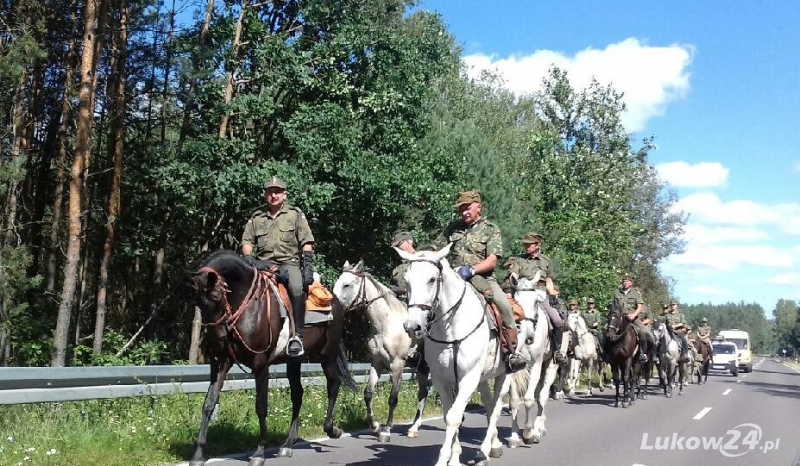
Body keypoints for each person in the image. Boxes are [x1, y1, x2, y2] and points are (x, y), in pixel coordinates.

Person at [432, 190, 526, 373]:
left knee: (504, 306)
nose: (464, 212)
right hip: (453, 278)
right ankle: (421, 353)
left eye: (467, 208)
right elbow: (435, 248)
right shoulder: (452, 228)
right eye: (461, 209)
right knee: (428, 305)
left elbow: (492, 260)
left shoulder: (491, 229)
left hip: (483, 278)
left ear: (478, 207)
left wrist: (472, 270)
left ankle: (511, 352)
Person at [241, 176, 315, 357]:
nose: (273, 195)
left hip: (289, 263)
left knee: (297, 288)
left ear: (285, 195)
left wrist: (307, 266)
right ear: (265, 194)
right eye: (270, 192)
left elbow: (306, 242)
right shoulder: (257, 217)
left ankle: (297, 336)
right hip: (263, 264)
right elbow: (247, 241)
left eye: (277, 192)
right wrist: (248, 257)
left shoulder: (295, 215)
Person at [502, 232, 568, 364]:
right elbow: (514, 273)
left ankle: (557, 352)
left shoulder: (546, 260)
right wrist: (513, 277)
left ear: (537, 245)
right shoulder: (519, 259)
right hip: (522, 293)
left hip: (540, 294)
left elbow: (549, 279)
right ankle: (505, 350)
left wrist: (551, 291)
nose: (526, 246)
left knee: (558, 321)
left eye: (529, 244)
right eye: (525, 244)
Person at [611, 275, 655, 363]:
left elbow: (640, 306)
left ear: (631, 283)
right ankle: (607, 354)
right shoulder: (617, 293)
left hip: (633, 318)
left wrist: (634, 315)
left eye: (627, 281)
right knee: (608, 331)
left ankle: (643, 353)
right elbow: (613, 307)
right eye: (623, 281)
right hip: (619, 318)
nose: (625, 283)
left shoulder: (635, 293)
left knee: (645, 332)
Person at [390, 230, 415, 300]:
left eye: (399, 244)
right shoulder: (397, 267)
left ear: (408, 242)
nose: (397, 248)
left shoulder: (421, 260)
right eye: (395, 246)